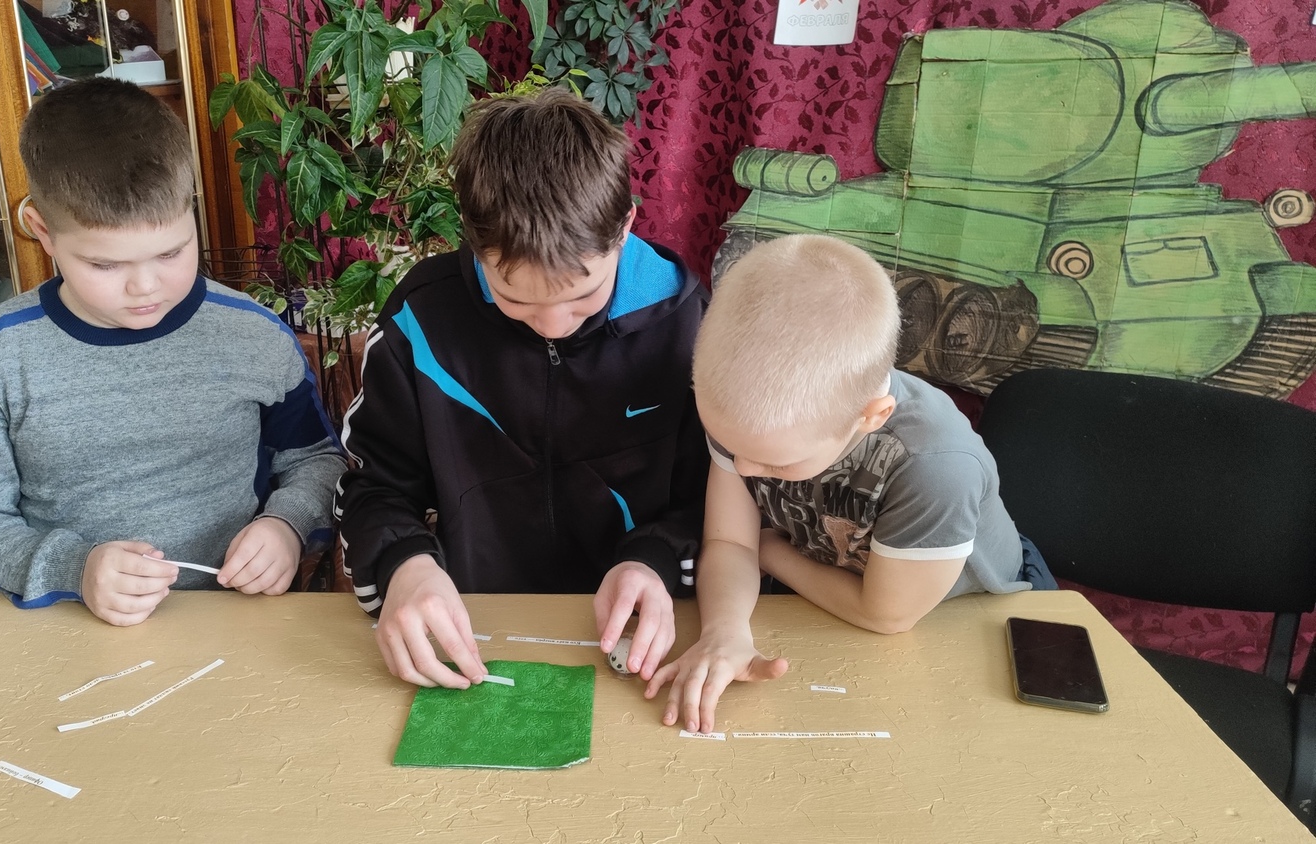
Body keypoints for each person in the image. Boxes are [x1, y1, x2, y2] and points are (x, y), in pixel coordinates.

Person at [0, 78, 345, 626]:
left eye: (171, 252)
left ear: (191, 211)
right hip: (69, 626)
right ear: (42, 231)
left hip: (237, 620)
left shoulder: (254, 334)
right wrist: (75, 570)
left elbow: (316, 460)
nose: (145, 287)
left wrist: (287, 525)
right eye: (105, 265)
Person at [337, 89, 710, 689]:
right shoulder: (421, 320)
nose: (553, 325)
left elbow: (717, 494)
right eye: (515, 299)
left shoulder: (686, 323)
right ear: (473, 242)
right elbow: (373, 485)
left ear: (625, 226)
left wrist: (657, 558)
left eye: (583, 297)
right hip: (479, 627)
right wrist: (404, 565)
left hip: (647, 631)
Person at [648, 234, 1054, 732]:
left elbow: (886, 616)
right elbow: (731, 542)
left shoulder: (936, 467)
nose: (745, 470)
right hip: (827, 579)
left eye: (776, 464)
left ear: (871, 416)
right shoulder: (748, 418)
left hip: (967, 614)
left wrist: (768, 551)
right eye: (730, 447)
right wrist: (723, 631)